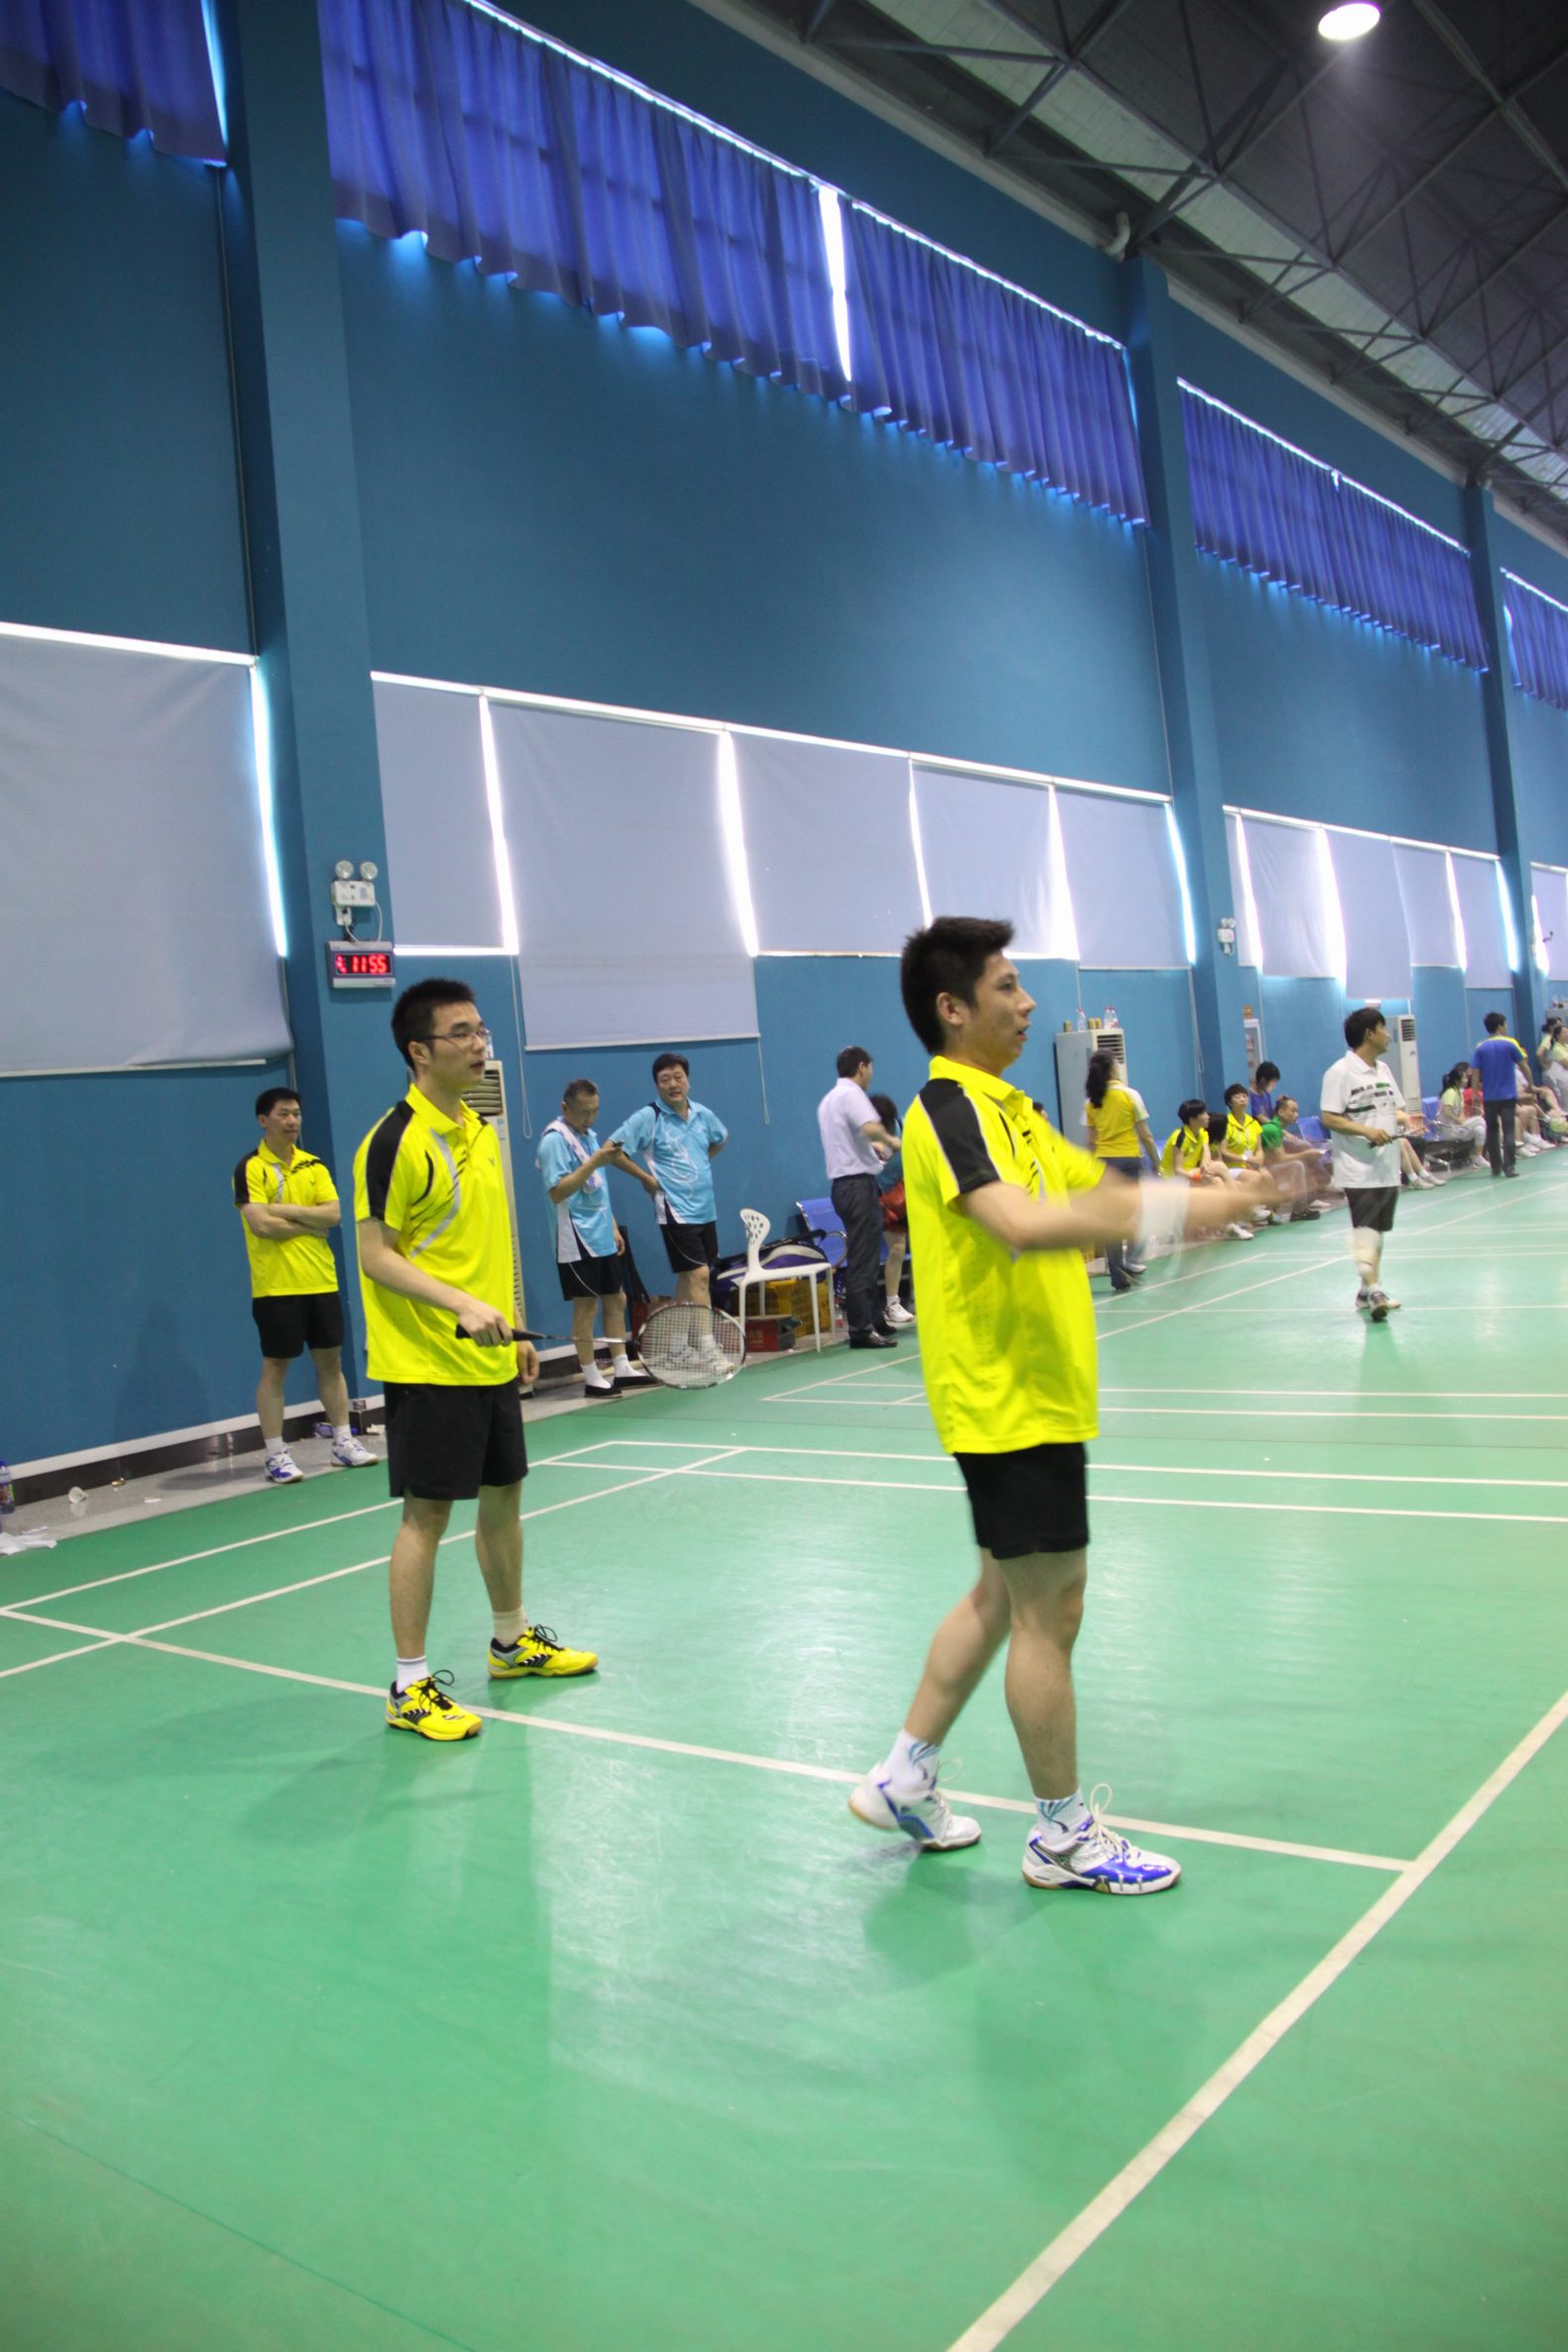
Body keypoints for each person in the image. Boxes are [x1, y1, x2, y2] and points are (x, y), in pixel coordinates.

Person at [848, 917, 1277, 1894]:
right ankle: (1062, 1839)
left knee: (1002, 1596)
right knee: (1052, 1609)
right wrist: (1182, 1206)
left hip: (1036, 1389)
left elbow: (1105, 1192)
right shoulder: (948, 1110)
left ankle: (905, 1774)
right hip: (1005, 1395)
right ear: (953, 1008)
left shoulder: (1012, 1110)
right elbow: (1017, 1222)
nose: (1027, 1000)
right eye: (1005, 986)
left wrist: (1218, 1193)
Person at [355, 979, 597, 1743]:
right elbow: (374, 1256)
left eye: (481, 1030)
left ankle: (510, 1641)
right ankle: (408, 1685)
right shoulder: (395, 1141)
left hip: (489, 1357)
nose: (478, 1044)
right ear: (418, 1051)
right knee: (425, 1517)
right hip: (428, 1360)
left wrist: (513, 1329)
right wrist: (460, 1306)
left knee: (503, 1499)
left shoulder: (480, 1128)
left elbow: (483, 1245)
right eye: (460, 1033)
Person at [234, 1087, 375, 1484]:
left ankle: (343, 1442)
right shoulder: (250, 1168)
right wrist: (307, 1224)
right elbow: (260, 1225)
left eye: (296, 1113)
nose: (292, 1121)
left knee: (331, 1363)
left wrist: (282, 1210)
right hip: (276, 1287)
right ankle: (275, 1454)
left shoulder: (314, 1166)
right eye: (284, 1114)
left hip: (321, 1281)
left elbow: (333, 1215)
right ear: (264, 1120)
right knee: (275, 1367)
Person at [537, 1079, 650, 1397]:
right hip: (575, 1239)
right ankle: (590, 1376)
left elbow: (598, 1188)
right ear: (565, 1108)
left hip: (600, 1234)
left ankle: (622, 1367)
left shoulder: (590, 1137)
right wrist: (593, 1163)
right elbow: (558, 1192)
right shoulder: (553, 1141)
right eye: (583, 1112)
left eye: (595, 1111)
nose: (590, 1118)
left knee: (617, 1299)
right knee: (586, 1307)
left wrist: (611, 1225)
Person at [609, 1054, 729, 1310]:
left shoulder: (702, 1114)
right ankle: (706, 1335)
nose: (673, 1084)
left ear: (688, 1081)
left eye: (678, 1077)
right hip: (675, 1209)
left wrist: (699, 1162)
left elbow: (721, 1138)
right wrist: (645, 1177)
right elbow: (612, 1150)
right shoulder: (649, 1117)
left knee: (690, 1276)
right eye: (665, 1080)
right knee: (699, 1275)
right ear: (657, 1085)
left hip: (706, 1208)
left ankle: (678, 1333)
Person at [1321, 1007, 1410, 1323]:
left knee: (1377, 1231)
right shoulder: (1340, 1072)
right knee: (1366, 1229)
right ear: (1369, 1034)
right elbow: (1329, 1117)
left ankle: (1365, 1290)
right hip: (1358, 1166)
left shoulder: (1383, 1069)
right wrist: (1367, 1131)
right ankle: (1374, 1290)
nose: (1388, 1035)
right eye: (1383, 1028)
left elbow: (1395, 1109)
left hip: (1387, 1165)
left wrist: (1406, 1118)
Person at [817, 1047, 901, 1349]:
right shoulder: (852, 1095)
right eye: (871, 1068)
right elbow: (869, 1128)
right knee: (864, 1260)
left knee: (867, 1255)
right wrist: (891, 1141)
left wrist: (871, 1150)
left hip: (846, 1186)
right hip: (857, 1187)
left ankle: (875, 1319)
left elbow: (852, 1138)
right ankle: (861, 1330)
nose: (871, 1075)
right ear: (862, 1067)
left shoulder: (829, 1100)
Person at [1084, 1050, 1159, 1293]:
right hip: (1129, 1159)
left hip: (1104, 1162)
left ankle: (1117, 1272)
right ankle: (1133, 1260)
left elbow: (1091, 1141)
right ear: (1113, 1068)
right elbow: (1146, 1135)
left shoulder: (1091, 1101)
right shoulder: (1130, 1095)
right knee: (1139, 1211)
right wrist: (1156, 1162)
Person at [870, 1090, 915, 1325]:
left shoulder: (906, 1127)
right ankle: (891, 1304)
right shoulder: (867, 1140)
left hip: (908, 1194)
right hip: (882, 1198)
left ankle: (918, 1297)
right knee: (897, 1248)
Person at [1472, 1011, 1530, 1178]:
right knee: (1509, 1131)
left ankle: (1495, 1166)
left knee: (1492, 1132)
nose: (1506, 1027)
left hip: (1490, 1097)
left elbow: (1475, 1071)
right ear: (1499, 1026)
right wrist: (1531, 1083)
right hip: (1508, 1096)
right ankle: (1509, 1166)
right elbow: (1523, 1065)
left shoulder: (1481, 1047)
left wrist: (1475, 1092)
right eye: (1505, 1024)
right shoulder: (1510, 1044)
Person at [1258, 1094, 1327, 1216]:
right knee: (1296, 1166)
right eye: (1293, 1111)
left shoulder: (1277, 1129)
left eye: (1297, 1111)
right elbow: (1281, 1158)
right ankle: (1299, 1211)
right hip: (1262, 1169)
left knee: (1301, 1156)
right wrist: (1307, 1154)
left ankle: (1311, 1197)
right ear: (1281, 1112)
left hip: (1269, 1165)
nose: (1296, 1115)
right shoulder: (1272, 1130)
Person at [1437, 1061, 1485, 1164]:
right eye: (1464, 1078)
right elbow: (1446, 1110)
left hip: (1458, 1128)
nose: (1467, 1080)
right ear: (1457, 1081)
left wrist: (1463, 1121)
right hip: (1449, 1130)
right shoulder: (1450, 1092)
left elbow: (1461, 1113)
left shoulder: (1459, 1094)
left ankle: (1478, 1157)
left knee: (1480, 1130)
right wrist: (1458, 1120)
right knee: (1480, 1120)